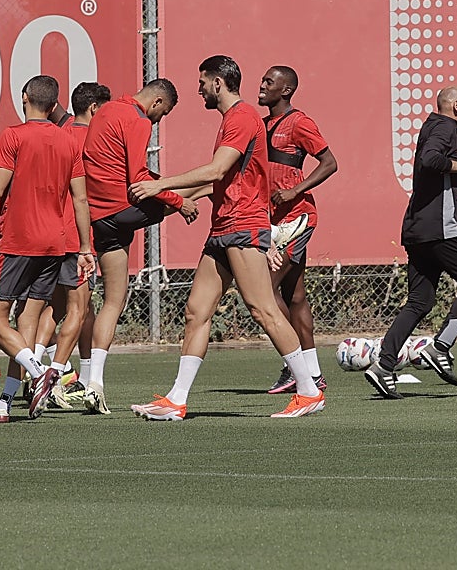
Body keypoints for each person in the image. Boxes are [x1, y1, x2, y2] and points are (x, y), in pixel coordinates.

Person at [128, 55, 325, 419]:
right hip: (222, 226)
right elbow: (223, 179)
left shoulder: (241, 117)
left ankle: (310, 390)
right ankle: (176, 400)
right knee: (195, 312)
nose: (199, 88)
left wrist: (161, 184)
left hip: (243, 225)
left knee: (262, 308)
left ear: (218, 83)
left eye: (202, 81)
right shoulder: (233, 120)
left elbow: (218, 168)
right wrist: (181, 199)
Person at [0, 75, 94, 422]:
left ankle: (40, 373)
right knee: (26, 324)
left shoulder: (13, 136)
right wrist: (84, 247)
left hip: (19, 242)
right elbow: (81, 198)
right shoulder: (68, 141)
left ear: (24, 98)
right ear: (53, 106)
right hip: (55, 244)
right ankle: (5, 401)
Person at [362, 86, 457, 399]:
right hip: (440, 230)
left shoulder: (437, 127)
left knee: (420, 302)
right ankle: (440, 347)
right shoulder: (445, 127)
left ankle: (383, 366)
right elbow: (429, 159)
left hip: (418, 231)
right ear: (456, 105)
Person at [80, 78, 199, 414]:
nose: (160, 120)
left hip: (98, 216)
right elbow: (139, 177)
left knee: (112, 300)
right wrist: (178, 201)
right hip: (121, 208)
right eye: (164, 113)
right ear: (158, 101)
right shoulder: (138, 119)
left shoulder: (105, 111)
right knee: (204, 183)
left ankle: (95, 383)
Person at [259, 66, 339, 395]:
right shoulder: (262, 125)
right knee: (295, 296)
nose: (261, 86)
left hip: (297, 217)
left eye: (269, 82)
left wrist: (295, 190)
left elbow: (330, 162)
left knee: (264, 291)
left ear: (287, 90)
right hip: (274, 220)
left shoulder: (299, 122)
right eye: (263, 81)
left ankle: (296, 368)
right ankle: (314, 374)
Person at [41, 82, 111, 409]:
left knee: (57, 307)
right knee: (78, 308)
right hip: (77, 237)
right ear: (95, 109)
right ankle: (51, 378)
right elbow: (96, 190)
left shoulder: (60, 135)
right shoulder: (93, 140)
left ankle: (40, 365)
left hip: (52, 234)